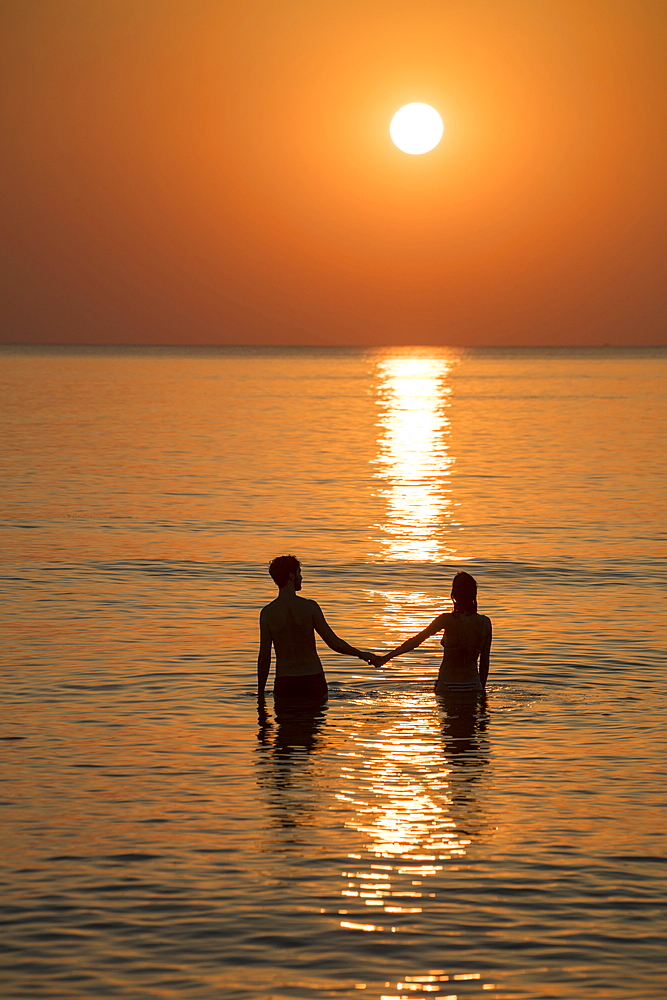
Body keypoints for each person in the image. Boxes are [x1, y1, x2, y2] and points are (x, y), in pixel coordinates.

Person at [258, 555, 375, 702]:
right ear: (291, 576)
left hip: (285, 682)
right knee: (314, 723)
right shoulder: (309, 607)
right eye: (299, 573)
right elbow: (334, 643)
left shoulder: (268, 613)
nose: (302, 578)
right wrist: (363, 655)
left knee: (286, 723)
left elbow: (264, 658)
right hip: (313, 679)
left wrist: (260, 695)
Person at [370, 571, 491, 696]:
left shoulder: (447, 619)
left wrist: (387, 657)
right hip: (473, 686)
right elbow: (484, 663)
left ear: (455, 594)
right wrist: (481, 692)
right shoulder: (485, 623)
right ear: (473, 594)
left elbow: (416, 640)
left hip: (447, 685)